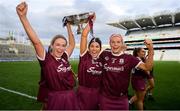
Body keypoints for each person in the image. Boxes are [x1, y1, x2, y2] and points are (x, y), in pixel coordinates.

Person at [16, 2, 78, 110]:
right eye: (58, 45)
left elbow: (72, 44)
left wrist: (68, 26)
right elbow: (36, 42)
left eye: (63, 45)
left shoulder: (64, 56)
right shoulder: (47, 59)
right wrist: (23, 17)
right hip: (56, 98)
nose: (61, 48)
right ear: (52, 45)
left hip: (71, 96)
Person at [99, 34, 154, 110]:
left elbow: (147, 67)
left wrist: (151, 50)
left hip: (122, 99)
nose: (115, 44)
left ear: (122, 43)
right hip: (105, 98)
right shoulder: (104, 54)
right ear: (110, 43)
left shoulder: (129, 58)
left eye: (118, 42)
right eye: (113, 42)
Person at [77, 13, 103, 110]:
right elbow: (84, 36)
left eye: (97, 46)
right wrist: (91, 22)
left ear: (100, 48)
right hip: (84, 93)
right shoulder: (84, 56)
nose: (94, 49)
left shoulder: (102, 60)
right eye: (92, 46)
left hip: (98, 93)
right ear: (88, 48)